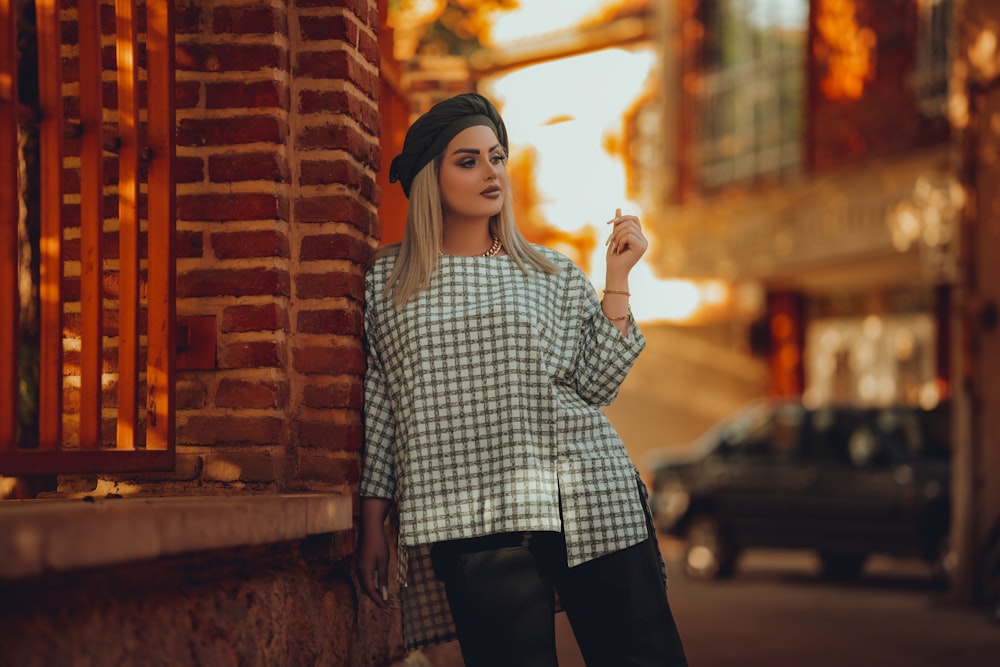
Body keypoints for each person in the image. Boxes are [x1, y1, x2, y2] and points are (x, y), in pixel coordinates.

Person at [356, 92, 687, 667]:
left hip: (589, 499)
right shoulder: (388, 284)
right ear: (430, 181)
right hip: (471, 516)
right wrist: (371, 523)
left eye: (497, 156)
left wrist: (617, 277)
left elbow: (597, 384)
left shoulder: (551, 269)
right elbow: (385, 406)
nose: (492, 172)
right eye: (469, 160)